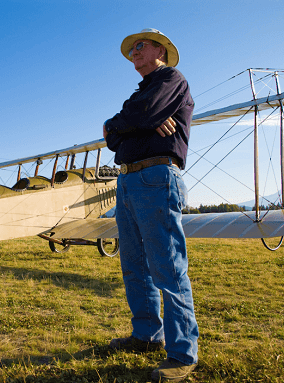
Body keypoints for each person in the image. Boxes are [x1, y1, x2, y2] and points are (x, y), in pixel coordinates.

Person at [103, 28, 198, 382]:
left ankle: (182, 354)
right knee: (134, 264)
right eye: (131, 50)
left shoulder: (172, 79)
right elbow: (114, 136)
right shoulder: (142, 93)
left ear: (161, 49)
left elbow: (139, 117)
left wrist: (126, 124)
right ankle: (146, 335)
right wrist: (122, 125)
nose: (134, 54)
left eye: (140, 47)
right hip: (127, 179)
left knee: (167, 267)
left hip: (157, 177)